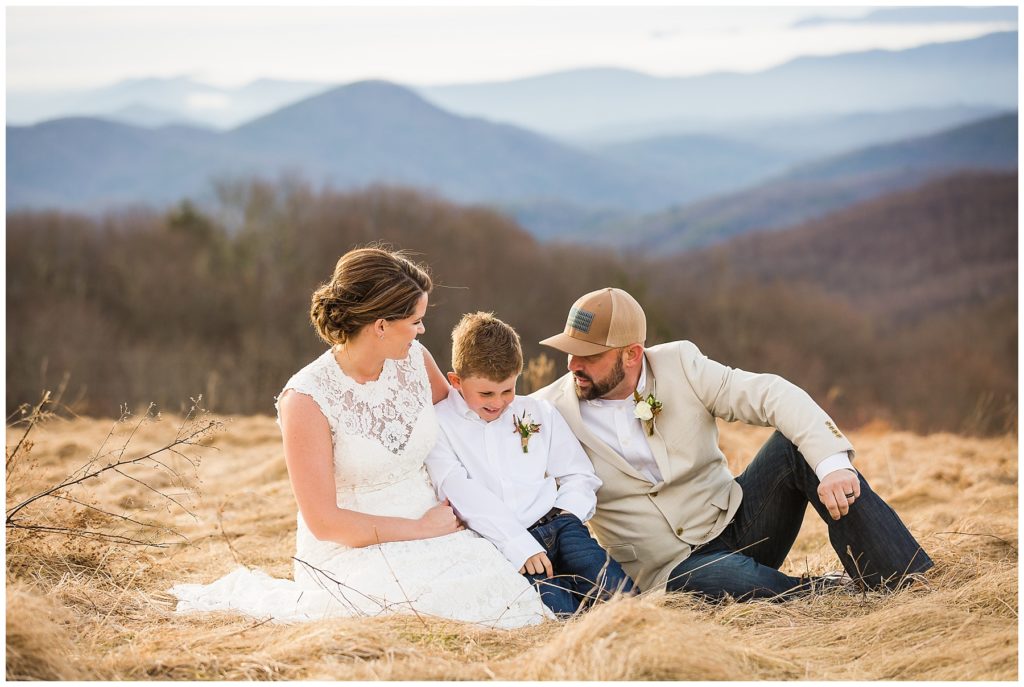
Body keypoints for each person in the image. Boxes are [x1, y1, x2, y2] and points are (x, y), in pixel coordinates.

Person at [170, 248, 550, 628]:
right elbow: (325, 522)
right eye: (415, 320)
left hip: (439, 523)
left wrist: (553, 411)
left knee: (501, 592)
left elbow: (468, 415)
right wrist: (419, 530)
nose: (422, 330)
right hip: (353, 548)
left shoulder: (416, 361)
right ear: (381, 325)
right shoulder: (306, 398)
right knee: (427, 608)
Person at [533, 287, 933, 600]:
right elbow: (498, 465)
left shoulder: (681, 365)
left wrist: (833, 465)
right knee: (728, 578)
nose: (573, 366)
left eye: (588, 355)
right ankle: (823, 592)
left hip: (740, 523)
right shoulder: (548, 412)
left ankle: (907, 581)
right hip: (670, 571)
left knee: (795, 449)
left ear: (632, 354)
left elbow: (772, 394)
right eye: (569, 353)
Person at [424, 312, 634, 616]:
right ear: (456, 381)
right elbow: (459, 490)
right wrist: (517, 543)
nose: (498, 402)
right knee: (565, 619)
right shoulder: (440, 424)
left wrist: (569, 515)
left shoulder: (537, 412)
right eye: (486, 393)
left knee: (623, 599)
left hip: (561, 526)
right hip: (507, 546)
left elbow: (578, 473)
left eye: (508, 390)